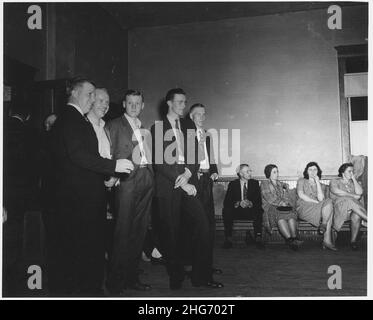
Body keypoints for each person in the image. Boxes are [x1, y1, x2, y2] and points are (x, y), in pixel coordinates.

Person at [49, 77, 134, 296]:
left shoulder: (75, 119)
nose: (92, 99)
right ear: (75, 94)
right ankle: (89, 291)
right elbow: (80, 156)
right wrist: (114, 165)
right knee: (86, 248)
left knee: (85, 248)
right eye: (89, 95)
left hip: (82, 196)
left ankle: (87, 289)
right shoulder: (72, 118)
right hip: (80, 199)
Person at [151, 88, 222, 290]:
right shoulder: (158, 128)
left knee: (203, 225)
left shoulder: (187, 126)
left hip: (187, 182)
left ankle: (200, 277)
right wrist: (182, 181)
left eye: (184, 102)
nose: (183, 106)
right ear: (169, 103)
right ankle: (176, 274)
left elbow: (194, 157)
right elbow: (159, 163)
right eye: (180, 102)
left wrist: (189, 174)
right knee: (171, 233)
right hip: (168, 187)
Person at [105, 90, 154, 294]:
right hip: (126, 182)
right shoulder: (114, 125)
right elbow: (106, 154)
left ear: (142, 106)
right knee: (122, 232)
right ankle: (115, 283)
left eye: (138, 103)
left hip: (146, 179)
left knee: (139, 232)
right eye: (130, 103)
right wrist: (113, 177)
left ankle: (132, 278)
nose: (134, 106)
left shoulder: (145, 128)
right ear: (124, 104)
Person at [182, 103, 222, 277]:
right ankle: (191, 264)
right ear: (191, 116)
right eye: (198, 114)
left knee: (209, 224)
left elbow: (211, 158)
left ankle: (206, 264)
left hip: (206, 181)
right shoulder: (185, 135)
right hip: (192, 180)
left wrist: (214, 172)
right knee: (195, 225)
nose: (202, 117)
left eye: (204, 114)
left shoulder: (207, 135)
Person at [3, 103, 39, 295]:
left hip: (5, 189)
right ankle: (16, 274)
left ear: (9, 113)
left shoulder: (3, 128)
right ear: (27, 117)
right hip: (25, 192)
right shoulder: (31, 133)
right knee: (18, 232)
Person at [222, 164, 264, 249]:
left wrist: (250, 203)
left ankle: (258, 237)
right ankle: (228, 238)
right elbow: (227, 201)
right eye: (247, 171)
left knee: (259, 210)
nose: (250, 173)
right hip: (237, 210)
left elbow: (258, 201)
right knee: (226, 210)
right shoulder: (233, 184)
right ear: (241, 174)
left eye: (250, 171)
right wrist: (238, 203)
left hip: (250, 210)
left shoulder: (255, 183)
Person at [261, 164, 302, 250]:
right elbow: (269, 198)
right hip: (271, 207)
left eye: (277, 171)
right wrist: (281, 202)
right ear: (269, 173)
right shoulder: (265, 183)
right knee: (280, 217)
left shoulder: (280, 184)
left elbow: (286, 197)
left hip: (283, 208)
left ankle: (294, 239)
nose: (277, 173)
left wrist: (286, 198)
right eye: (274, 172)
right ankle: (290, 240)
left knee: (291, 216)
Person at [296, 162, 335, 250]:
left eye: (315, 169)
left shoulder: (321, 185)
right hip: (304, 207)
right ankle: (327, 241)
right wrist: (315, 202)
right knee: (329, 212)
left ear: (318, 172)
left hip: (318, 207)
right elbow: (301, 195)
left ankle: (323, 225)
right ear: (307, 171)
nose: (313, 171)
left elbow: (321, 199)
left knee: (329, 202)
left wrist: (317, 182)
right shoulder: (301, 181)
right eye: (310, 169)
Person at [330, 163, 367, 250]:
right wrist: (353, 196)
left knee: (357, 215)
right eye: (349, 171)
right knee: (349, 200)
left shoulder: (354, 182)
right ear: (343, 172)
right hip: (340, 209)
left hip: (354, 210)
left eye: (352, 171)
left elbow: (360, 193)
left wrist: (354, 179)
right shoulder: (335, 181)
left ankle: (353, 241)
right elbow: (336, 191)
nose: (352, 173)